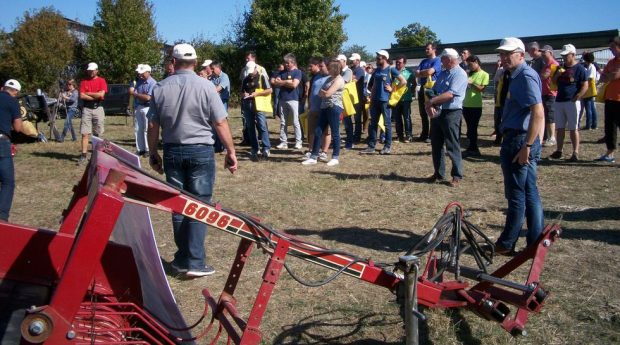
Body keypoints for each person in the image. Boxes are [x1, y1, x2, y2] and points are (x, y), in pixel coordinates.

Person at [147, 43, 238, 278]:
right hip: (200, 150)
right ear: (196, 63)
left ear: (173, 62)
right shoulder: (206, 86)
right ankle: (195, 262)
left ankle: (182, 258)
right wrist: (231, 151)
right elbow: (220, 122)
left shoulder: (159, 88)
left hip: (172, 150)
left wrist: (152, 152)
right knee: (199, 205)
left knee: (177, 206)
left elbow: (152, 125)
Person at [494, 37, 545, 255]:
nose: (503, 58)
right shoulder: (515, 75)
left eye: (508, 54)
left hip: (519, 141)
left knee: (516, 195)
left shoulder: (524, 76)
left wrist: (528, 145)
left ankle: (507, 243)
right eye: (502, 54)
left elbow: (538, 112)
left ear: (521, 55)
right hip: (520, 138)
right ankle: (535, 241)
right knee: (529, 191)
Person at [425, 48, 468, 187]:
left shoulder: (460, 74)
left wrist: (432, 101)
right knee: (436, 144)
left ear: (449, 59)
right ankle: (438, 173)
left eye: (442, 58)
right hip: (438, 111)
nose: (441, 61)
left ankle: (457, 175)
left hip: (452, 112)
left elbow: (450, 94)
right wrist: (431, 102)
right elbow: (434, 91)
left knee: (452, 144)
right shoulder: (443, 73)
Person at [360, 50, 406, 155]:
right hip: (375, 101)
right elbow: (373, 84)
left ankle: (387, 146)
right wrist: (371, 96)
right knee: (373, 124)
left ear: (385, 58)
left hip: (385, 101)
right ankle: (371, 146)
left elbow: (403, 81)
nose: (377, 60)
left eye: (378, 58)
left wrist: (393, 89)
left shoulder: (391, 69)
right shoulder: (377, 71)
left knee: (387, 124)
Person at [549, 44, 587, 162]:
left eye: (567, 55)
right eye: (563, 55)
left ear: (573, 55)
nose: (564, 58)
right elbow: (554, 82)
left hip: (572, 101)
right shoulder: (561, 67)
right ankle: (559, 150)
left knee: (573, 128)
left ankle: (575, 152)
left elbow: (585, 84)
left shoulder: (579, 68)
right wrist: (558, 74)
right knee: (560, 128)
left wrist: (578, 96)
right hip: (560, 100)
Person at [302, 60, 345, 166]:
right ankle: (313, 156)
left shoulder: (339, 80)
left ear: (334, 68)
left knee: (335, 133)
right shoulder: (330, 79)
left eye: (329, 67)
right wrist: (324, 93)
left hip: (334, 108)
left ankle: (335, 157)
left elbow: (327, 93)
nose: (327, 69)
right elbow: (321, 92)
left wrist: (324, 93)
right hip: (324, 107)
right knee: (318, 131)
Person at [0, 79, 23, 222]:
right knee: (8, 182)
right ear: (15, 92)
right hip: (1, 141)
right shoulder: (13, 102)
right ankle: (2, 216)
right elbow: (18, 127)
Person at [595, 36, 620, 163]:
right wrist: (611, 75)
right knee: (610, 128)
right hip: (610, 99)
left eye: (613, 47)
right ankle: (610, 153)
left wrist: (610, 75)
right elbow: (603, 77)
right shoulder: (611, 62)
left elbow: (615, 75)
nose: (611, 50)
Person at [241, 60, 272, 160]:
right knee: (250, 127)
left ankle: (266, 148)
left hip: (259, 105)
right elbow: (241, 92)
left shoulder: (262, 77)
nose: (250, 74)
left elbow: (269, 90)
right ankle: (255, 148)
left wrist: (257, 94)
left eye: (252, 71)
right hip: (247, 105)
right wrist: (244, 95)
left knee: (262, 125)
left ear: (255, 68)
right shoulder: (245, 79)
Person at [78, 62, 108, 165]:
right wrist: (95, 95)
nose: (91, 72)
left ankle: (98, 155)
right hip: (87, 109)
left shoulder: (101, 81)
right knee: (85, 133)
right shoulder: (84, 82)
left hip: (98, 108)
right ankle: (84, 155)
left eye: (93, 70)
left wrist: (88, 93)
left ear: (97, 70)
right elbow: (82, 96)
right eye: (89, 70)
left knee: (98, 133)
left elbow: (101, 95)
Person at [271, 53, 303, 150]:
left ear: (293, 63)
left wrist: (282, 82)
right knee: (283, 122)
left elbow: (294, 85)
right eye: (285, 63)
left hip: (293, 99)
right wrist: (286, 82)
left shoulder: (298, 72)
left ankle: (298, 142)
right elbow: (274, 82)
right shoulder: (282, 72)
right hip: (282, 99)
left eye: (288, 63)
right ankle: (283, 142)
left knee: (295, 121)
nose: (286, 65)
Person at [462, 55, 489, 157]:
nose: (469, 67)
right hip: (466, 104)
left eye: (470, 64)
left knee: (473, 128)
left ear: (476, 62)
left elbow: (482, 89)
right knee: (469, 128)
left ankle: (474, 148)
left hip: (476, 105)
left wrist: (472, 83)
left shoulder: (484, 74)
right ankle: (471, 148)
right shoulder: (470, 74)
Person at [415, 42, 442, 142]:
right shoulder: (423, 61)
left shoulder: (437, 60)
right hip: (423, 88)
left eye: (428, 49)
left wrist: (422, 72)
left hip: (432, 88)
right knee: (423, 112)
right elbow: (416, 73)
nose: (426, 50)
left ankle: (432, 134)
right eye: (425, 49)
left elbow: (430, 72)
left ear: (434, 49)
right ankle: (424, 134)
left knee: (432, 111)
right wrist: (424, 72)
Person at [305, 57, 331, 161]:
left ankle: (324, 152)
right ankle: (311, 150)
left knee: (326, 132)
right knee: (311, 130)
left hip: (324, 108)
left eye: (322, 66)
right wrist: (310, 104)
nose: (320, 68)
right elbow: (312, 91)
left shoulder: (332, 78)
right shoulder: (316, 76)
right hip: (313, 108)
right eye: (319, 66)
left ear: (328, 66)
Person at [129, 64, 156, 157]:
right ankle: (140, 149)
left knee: (146, 129)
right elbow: (136, 93)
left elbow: (148, 97)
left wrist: (136, 94)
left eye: (142, 73)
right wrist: (139, 95)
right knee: (138, 129)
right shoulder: (139, 81)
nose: (140, 75)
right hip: (139, 106)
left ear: (148, 72)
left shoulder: (153, 83)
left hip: (148, 107)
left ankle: (147, 149)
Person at [392, 55, 415, 143]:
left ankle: (409, 135)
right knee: (397, 118)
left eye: (400, 62)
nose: (398, 63)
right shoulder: (392, 71)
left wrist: (410, 92)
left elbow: (414, 83)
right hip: (395, 99)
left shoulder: (409, 72)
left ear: (404, 63)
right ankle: (399, 135)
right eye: (396, 62)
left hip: (406, 99)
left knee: (407, 117)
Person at [539, 45, 558, 147]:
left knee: (550, 116)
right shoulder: (545, 65)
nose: (542, 54)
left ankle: (552, 137)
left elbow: (543, 76)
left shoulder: (553, 64)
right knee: (546, 115)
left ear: (550, 52)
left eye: (544, 52)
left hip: (551, 94)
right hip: (544, 93)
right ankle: (547, 136)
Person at [209, 61, 230, 153]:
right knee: (215, 124)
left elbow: (218, 88)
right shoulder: (212, 77)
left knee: (222, 123)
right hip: (215, 102)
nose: (212, 71)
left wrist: (212, 90)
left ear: (218, 68)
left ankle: (226, 147)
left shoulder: (224, 77)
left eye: (213, 69)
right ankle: (218, 146)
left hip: (223, 102)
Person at [580, 52, 599, 130]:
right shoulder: (589, 67)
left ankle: (589, 125)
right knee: (592, 107)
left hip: (589, 89)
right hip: (589, 89)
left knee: (588, 108)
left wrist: (582, 82)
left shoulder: (591, 67)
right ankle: (594, 124)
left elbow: (590, 78)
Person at [350, 53, 365, 143]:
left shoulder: (359, 70)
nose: (352, 61)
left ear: (358, 61)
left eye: (354, 60)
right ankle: (352, 135)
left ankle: (357, 136)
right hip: (352, 96)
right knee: (351, 117)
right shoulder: (352, 69)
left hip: (358, 97)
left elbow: (353, 81)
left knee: (357, 118)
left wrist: (351, 77)